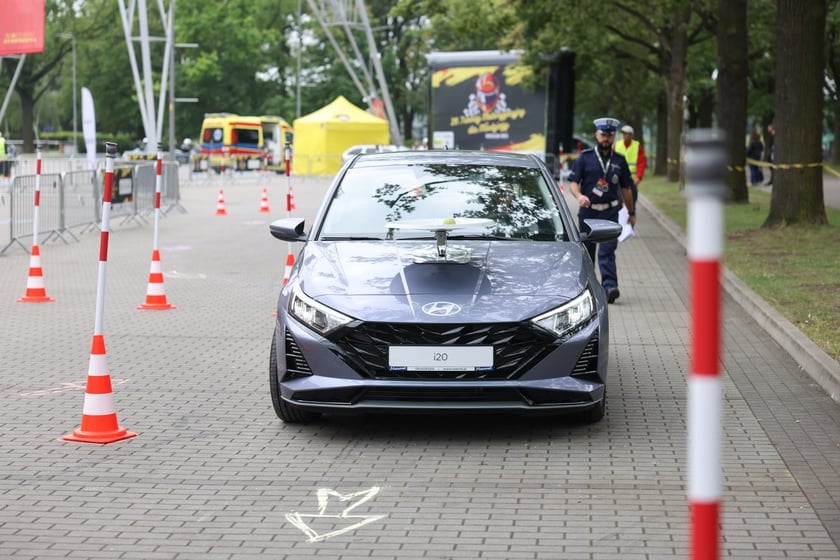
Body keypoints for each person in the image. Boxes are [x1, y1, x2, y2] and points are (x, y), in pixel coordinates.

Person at [568, 117, 636, 304]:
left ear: (614, 137)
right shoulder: (585, 157)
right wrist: (579, 196)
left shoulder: (619, 161)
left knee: (607, 250)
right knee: (587, 253)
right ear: (596, 135)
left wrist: (631, 213)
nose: (606, 138)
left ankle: (609, 287)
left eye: (610, 135)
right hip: (588, 212)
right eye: (603, 134)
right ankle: (586, 290)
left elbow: (626, 188)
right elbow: (573, 181)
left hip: (610, 212)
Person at [613, 124, 646, 205]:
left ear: (631, 135)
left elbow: (641, 163)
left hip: (632, 180)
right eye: (623, 133)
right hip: (618, 179)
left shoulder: (637, 146)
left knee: (631, 202)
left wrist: (639, 177)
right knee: (618, 203)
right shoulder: (617, 145)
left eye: (627, 133)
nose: (624, 135)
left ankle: (631, 215)